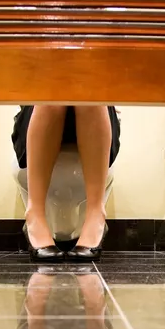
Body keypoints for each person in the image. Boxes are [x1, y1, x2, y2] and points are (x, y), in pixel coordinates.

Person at [12, 106, 120, 262]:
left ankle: (96, 215)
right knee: (53, 95)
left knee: (90, 94)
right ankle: (34, 214)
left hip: (98, 114)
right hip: (37, 114)